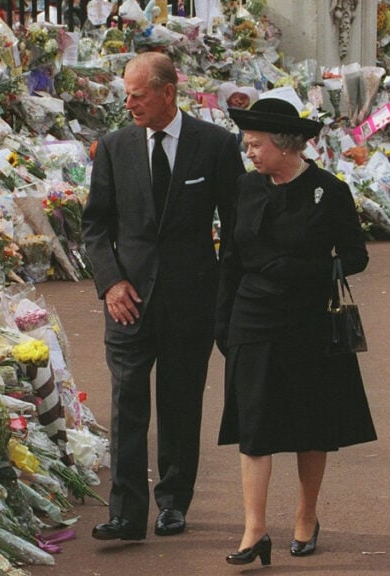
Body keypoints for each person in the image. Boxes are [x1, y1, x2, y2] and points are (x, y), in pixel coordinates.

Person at [82, 52, 244, 541]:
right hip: (127, 302)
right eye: (125, 94)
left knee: (180, 404)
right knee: (126, 404)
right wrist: (110, 283)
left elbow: (236, 227)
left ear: (168, 92)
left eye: (138, 94)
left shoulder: (214, 145)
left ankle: (173, 502)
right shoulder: (113, 148)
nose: (128, 103)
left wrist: (226, 296)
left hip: (191, 301)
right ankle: (126, 513)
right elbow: (95, 227)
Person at [215, 96, 377, 566]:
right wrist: (222, 323)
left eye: (256, 144)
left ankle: (306, 515)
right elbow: (229, 259)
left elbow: (356, 256)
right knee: (254, 427)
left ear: (285, 146)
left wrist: (308, 268)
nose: (250, 152)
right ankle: (254, 531)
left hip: (308, 321)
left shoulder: (331, 190)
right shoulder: (246, 189)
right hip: (252, 317)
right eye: (247, 145)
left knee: (310, 425)